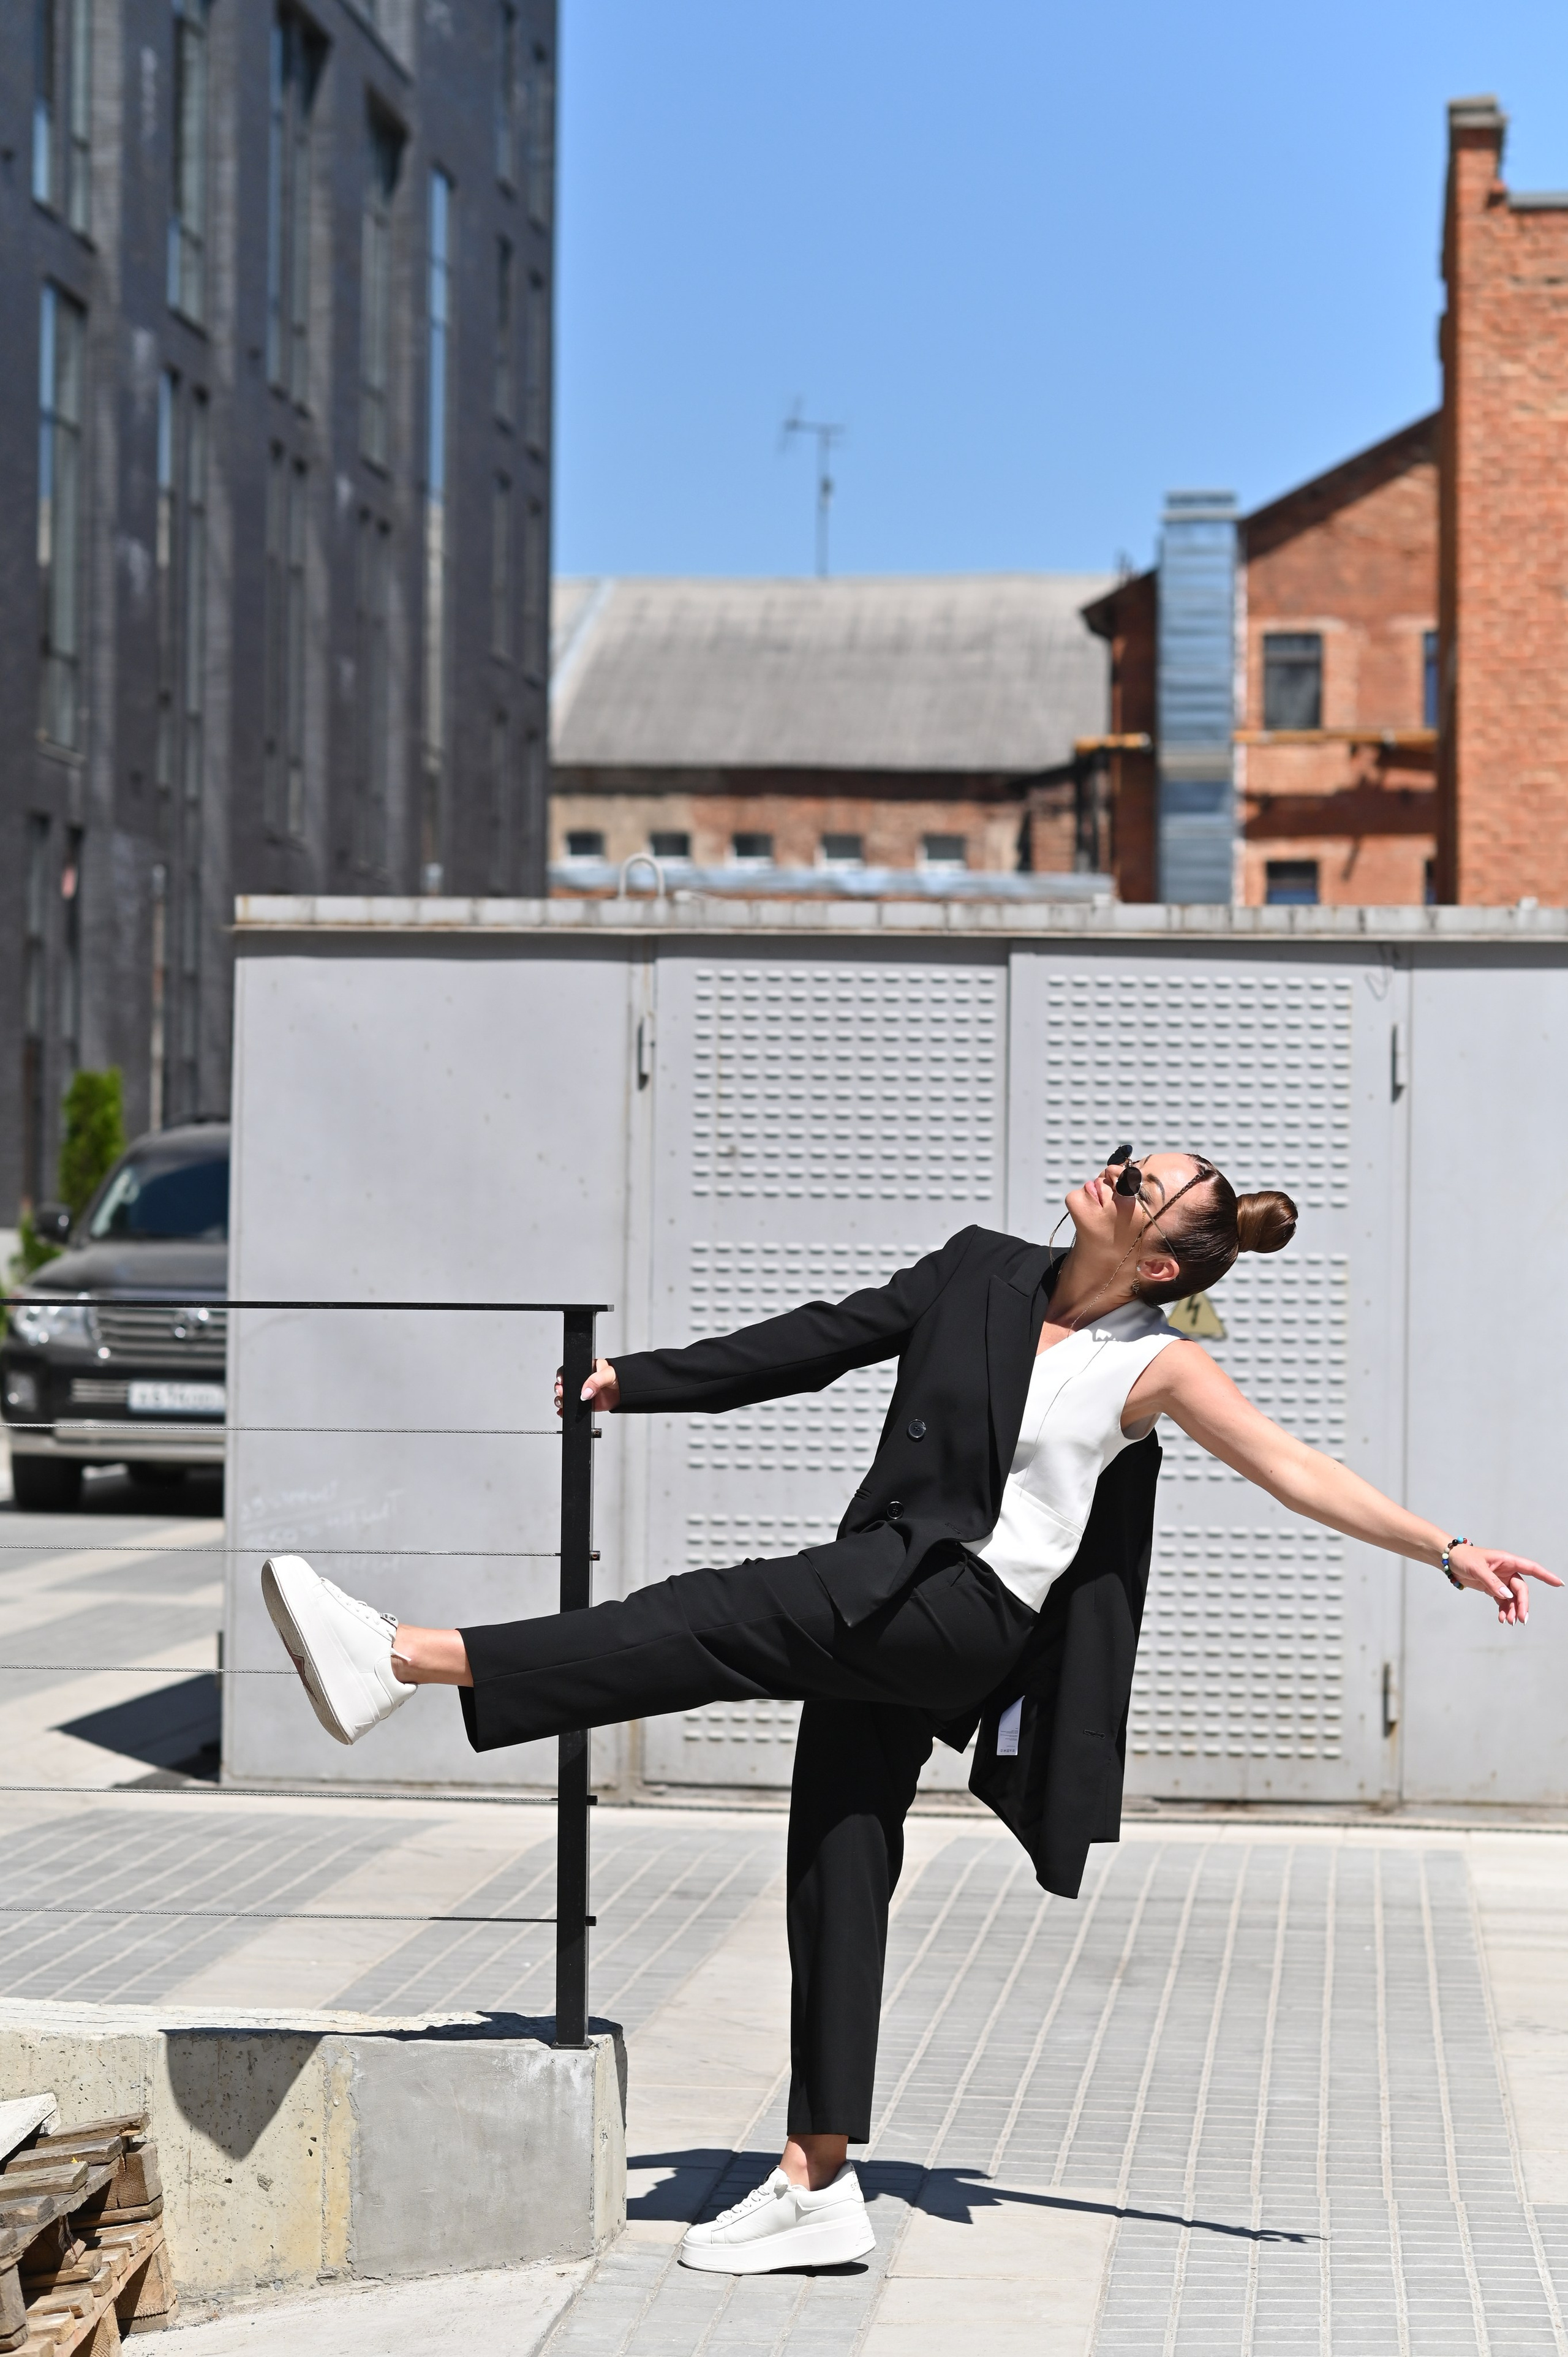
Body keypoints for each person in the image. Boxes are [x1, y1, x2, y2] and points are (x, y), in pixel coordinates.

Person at [260, 1148, 1557, 2276]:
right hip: (882, 1574)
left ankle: (410, 1659)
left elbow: (1297, 1471)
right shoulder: (979, 1268)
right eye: (1121, 1160)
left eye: (1133, 1184)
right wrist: (633, 1381)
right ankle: (818, 2183)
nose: (1106, 1174)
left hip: (956, 1613)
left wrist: (1443, 1548)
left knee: (709, 1613)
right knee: (835, 1847)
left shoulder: (1155, 1365)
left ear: (1160, 1260)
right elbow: (815, 1337)